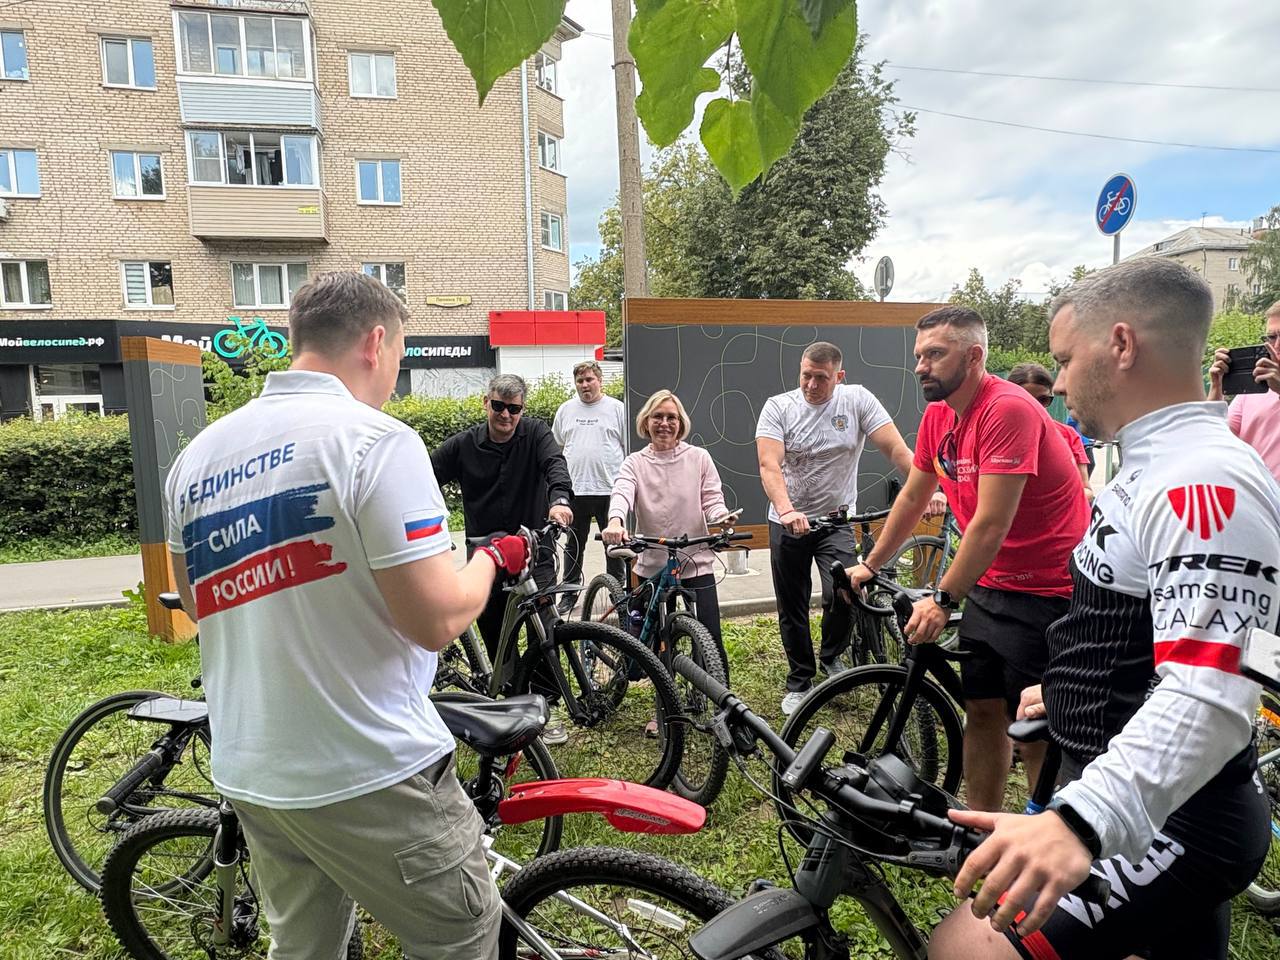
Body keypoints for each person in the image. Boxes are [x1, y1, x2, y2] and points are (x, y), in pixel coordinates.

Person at [163, 271, 530, 959]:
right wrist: (493, 562)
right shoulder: (375, 442)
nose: (395, 371)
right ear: (375, 341)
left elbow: (196, 599)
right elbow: (437, 619)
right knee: (463, 930)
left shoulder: (197, 458)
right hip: (368, 767)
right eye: (400, 354)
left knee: (304, 947)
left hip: (255, 768)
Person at [928, 258, 1279, 960]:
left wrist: (1080, 823)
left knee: (965, 946)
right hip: (1137, 785)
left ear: (1121, 345)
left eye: (1063, 359)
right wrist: (1066, 688)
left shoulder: (1200, 478)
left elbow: (1211, 692)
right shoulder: (1147, 462)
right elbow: (1142, 627)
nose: (1055, 381)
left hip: (1180, 820)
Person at [849, 307, 1089, 812]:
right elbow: (914, 497)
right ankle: (981, 826)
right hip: (991, 581)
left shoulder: (1008, 409)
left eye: (935, 354)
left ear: (975, 356)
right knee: (981, 710)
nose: (921, 367)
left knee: (1033, 725)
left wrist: (941, 597)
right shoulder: (940, 415)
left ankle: (1040, 827)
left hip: (1048, 588)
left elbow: (989, 522)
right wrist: (871, 564)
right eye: (919, 356)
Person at [756, 341, 920, 716]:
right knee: (792, 604)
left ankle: (832, 655)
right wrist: (786, 509)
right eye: (806, 376)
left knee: (845, 590)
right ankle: (799, 679)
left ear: (839, 376)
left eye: (821, 378)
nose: (812, 385)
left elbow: (896, 450)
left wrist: (926, 489)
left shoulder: (857, 400)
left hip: (836, 520)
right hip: (788, 522)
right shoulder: (779, 407)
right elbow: (769, 465)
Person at [431, 373, 574, 742]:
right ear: (486, 403)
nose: (506, 415)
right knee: (495, 631)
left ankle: (544, 706)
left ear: (522, 409)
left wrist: (559, 500)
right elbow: (423, 475)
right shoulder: (463, 445)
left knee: (544, 625)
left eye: (514, 409)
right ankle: (511, 704)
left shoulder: (537, 434)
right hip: (486, 556)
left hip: (534, 550)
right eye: (499, 406)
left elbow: (555, 463)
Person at [602, 390, 735, 708]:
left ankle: (720, 706)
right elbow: (622, 492)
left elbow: (713, 499)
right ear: (646, 422)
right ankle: (665, 709)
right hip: (652, 561)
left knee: (711, 637)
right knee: (656, 641)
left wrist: (721, 517)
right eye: (658, 417)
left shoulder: (699, 457)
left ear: (681, 423)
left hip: (694, 558)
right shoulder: (635, 462)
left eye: (671, 417)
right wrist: (616, 520)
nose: (664, 423)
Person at [553, 360, 627, 613]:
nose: (585, 385)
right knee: (573, 544)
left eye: (589, 379)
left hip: (611, 489)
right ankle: (570, 594)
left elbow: (628, 449)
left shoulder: (617, 409)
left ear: (599, 380)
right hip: (576, 490)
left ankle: (618, 594)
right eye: (580, 381)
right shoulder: (565, 410)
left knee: (615, 546)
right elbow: (558, 448)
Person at [1208, 298, 1280, 483]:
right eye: (1271, 337)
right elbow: (1213, 437)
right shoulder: (1255, 387)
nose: (1276, 345)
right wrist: (1217, 386)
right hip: (1256, 500)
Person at [1007, 362, 1094, 502]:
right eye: (1026, 399)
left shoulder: (1068, 435)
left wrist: (1054, 500)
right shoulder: (996, 436)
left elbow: (1086, 490)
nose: (1035, 406)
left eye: (1043, 400)